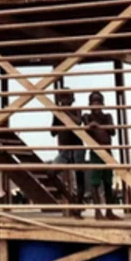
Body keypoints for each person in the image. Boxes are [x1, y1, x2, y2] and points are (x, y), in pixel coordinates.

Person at [82, 91, 118, 221]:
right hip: (95, 152)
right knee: (95, 182)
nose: (96, 106)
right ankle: (98, 212)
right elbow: (84, 131)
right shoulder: (87, 117)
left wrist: (99, 126)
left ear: (102, 104)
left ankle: (109, 211)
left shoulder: (107, 117)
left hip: (107, 151)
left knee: (108, 182)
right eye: (93, 103)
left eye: (98, 103)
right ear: (90, 105)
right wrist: (90, 126)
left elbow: (113, 132)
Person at [51, 88, 86, 217]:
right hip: (65, 150)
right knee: (51, 173)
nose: (65, 100)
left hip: (77, 147)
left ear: (72, 99)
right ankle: (72, 200)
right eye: (62, 97)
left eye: (67, 97)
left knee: (79, 176)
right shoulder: (57, 113)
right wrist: (58, 117)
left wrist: (65, 113)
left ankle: (78, 204)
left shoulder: (75, 110)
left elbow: (78, 122)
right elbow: (53, 132)